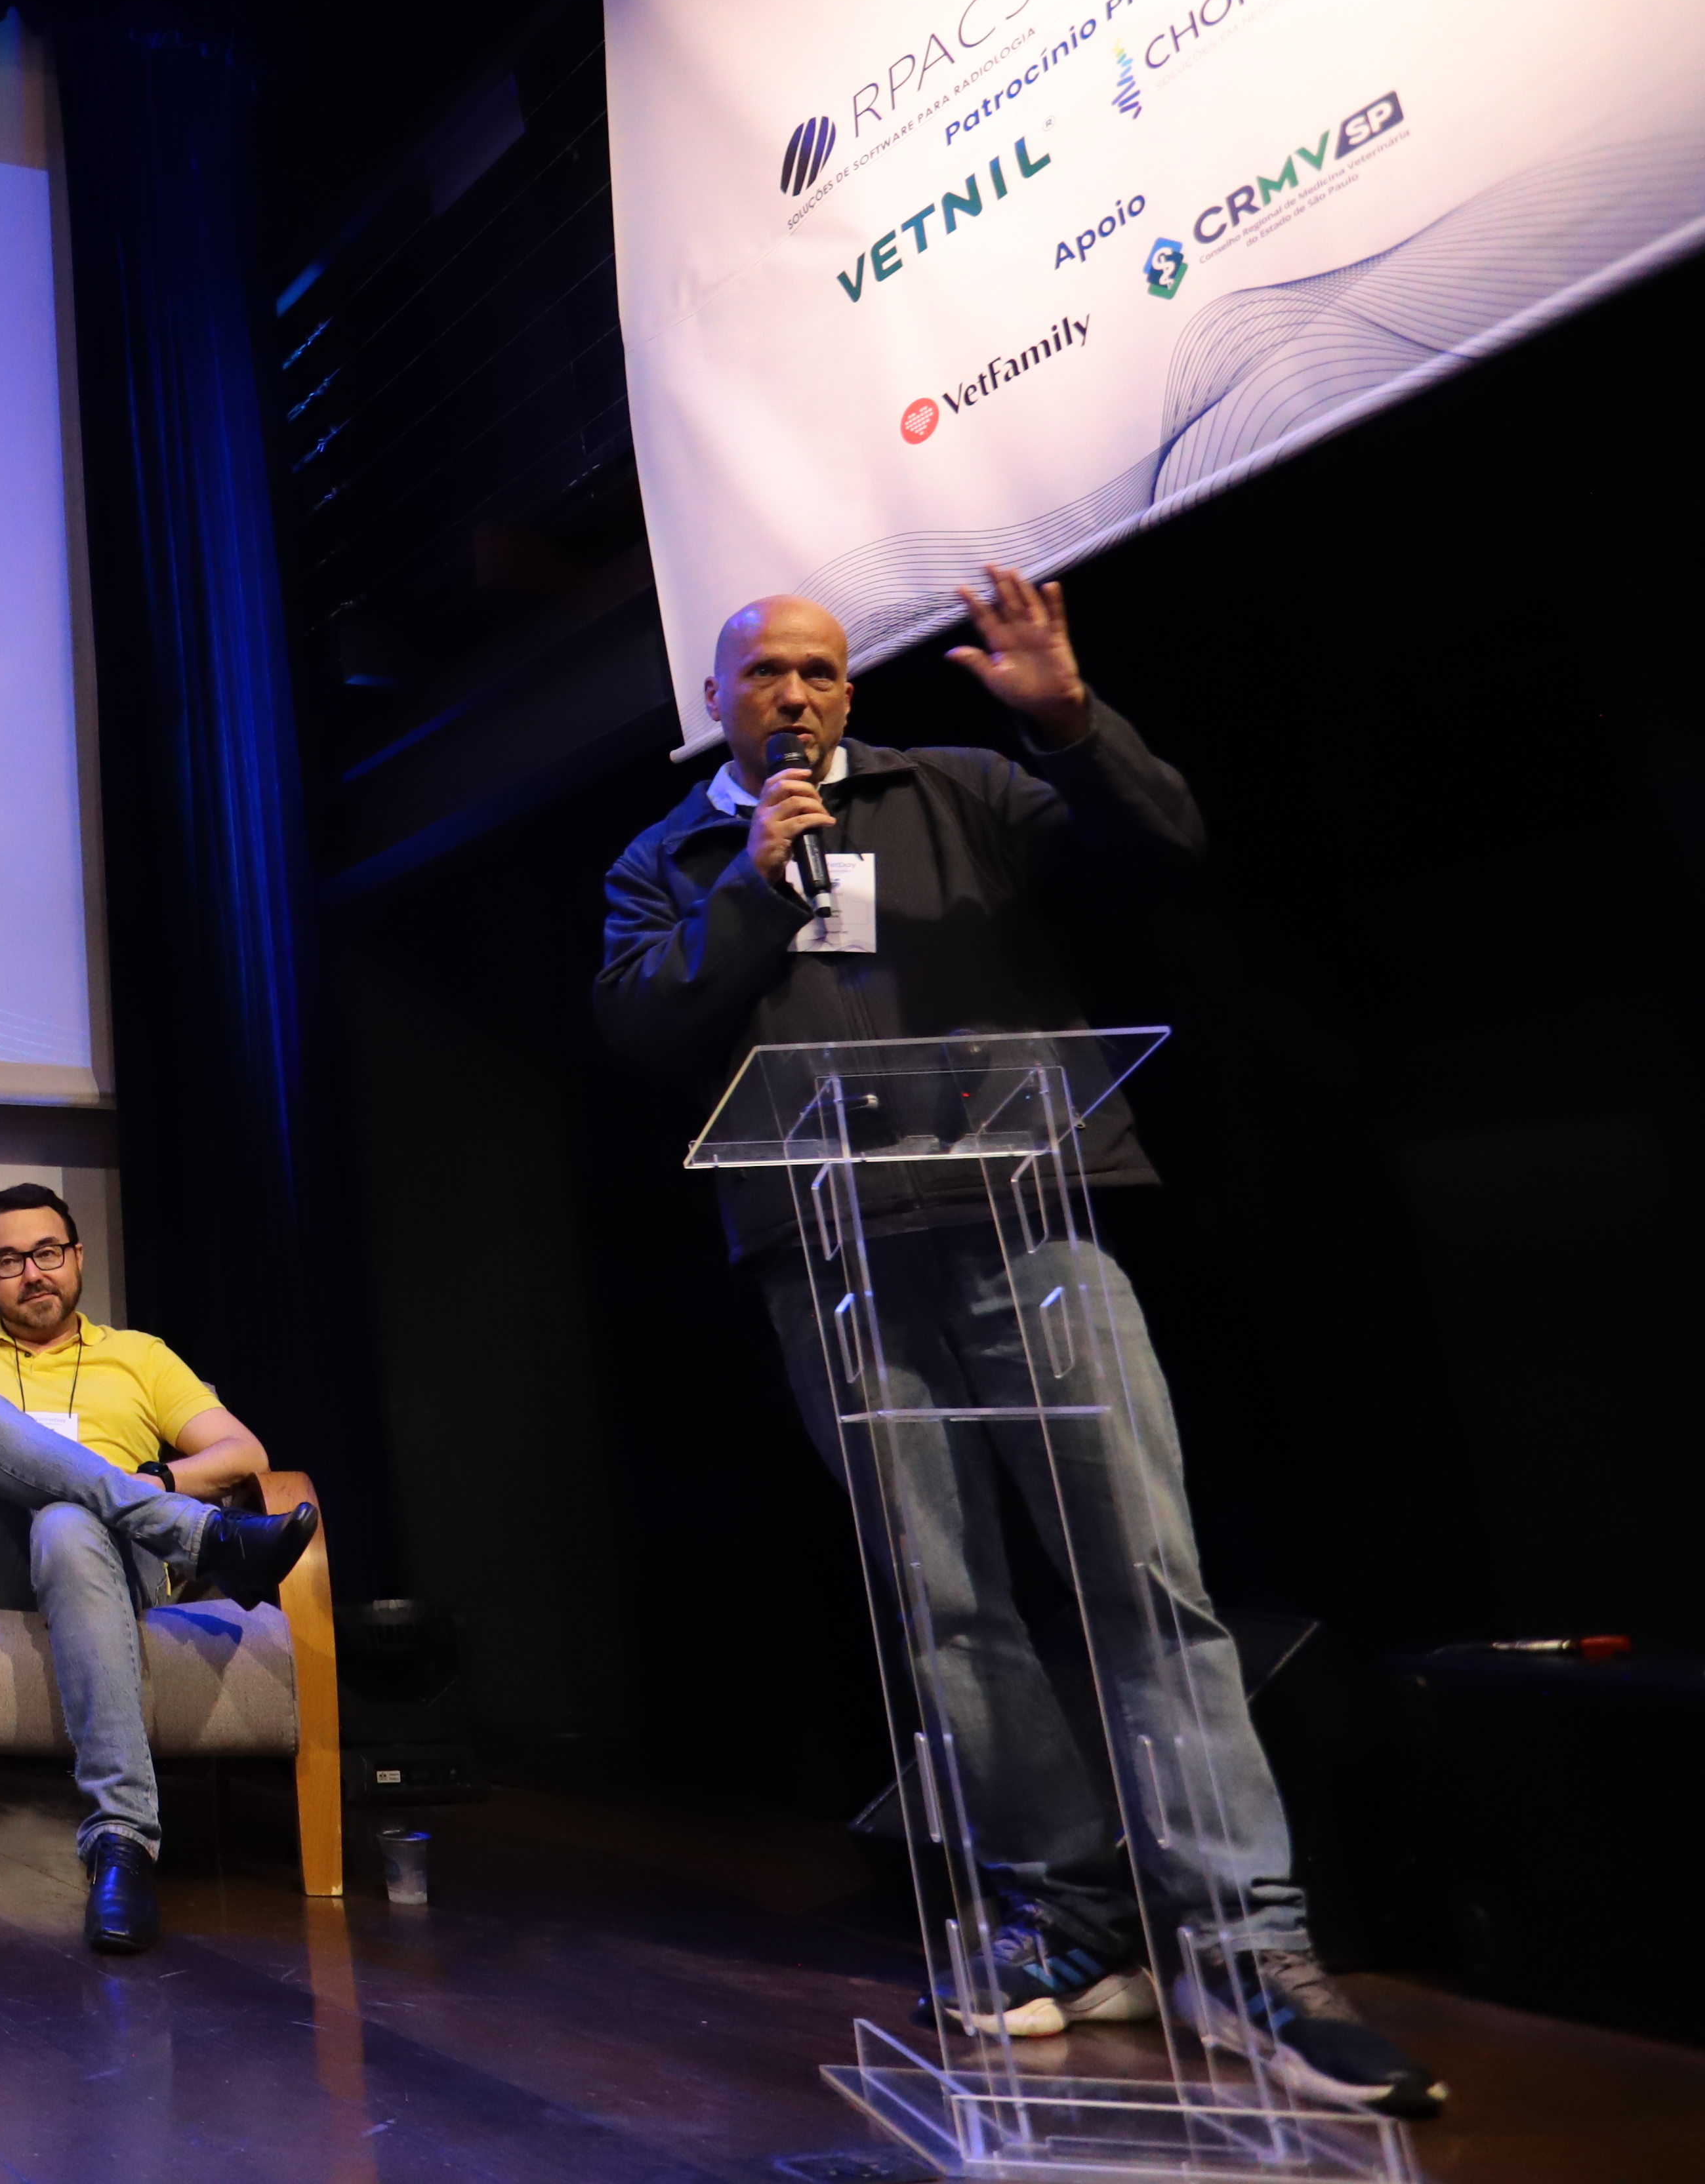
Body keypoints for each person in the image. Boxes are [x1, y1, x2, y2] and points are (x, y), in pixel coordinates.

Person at [595, 571, 1438, 2119]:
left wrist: (1067, 720)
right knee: (944, 1601)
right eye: (766, 674)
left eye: (823, 672)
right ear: (712, 702)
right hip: (827, 1257)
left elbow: (1158, 844)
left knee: (1138, 1566)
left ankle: (1246, 1943)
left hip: (1026, 1223)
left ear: (850, 692)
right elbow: (644, 1031)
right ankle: (1069, 1917)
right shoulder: (668, 859)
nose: (796, 695)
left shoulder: (963, 790)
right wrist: (746, 882)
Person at [0, 1184, 320, 1955]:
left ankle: (122, 1845)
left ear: (75, 1257)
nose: (31, 1273)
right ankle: (207, 1540)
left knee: (70, 1522)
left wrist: (161, 1482)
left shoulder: (139, 1353)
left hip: (111, 1570)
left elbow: (245, 1453)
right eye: (8, 1260)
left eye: (46, 1253)